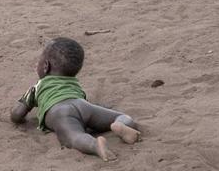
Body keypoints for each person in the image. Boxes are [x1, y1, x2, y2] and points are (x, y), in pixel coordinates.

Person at [10, 37, 140, 161]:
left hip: (60, 112)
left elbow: (16, 114)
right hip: (83, 105)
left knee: (73, 136)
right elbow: (81, 99)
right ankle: (121, 124)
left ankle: (96, 146)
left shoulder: (37, 87)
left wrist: (19, 116)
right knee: (121, 116)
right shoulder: (75, 83)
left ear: (45, 66)